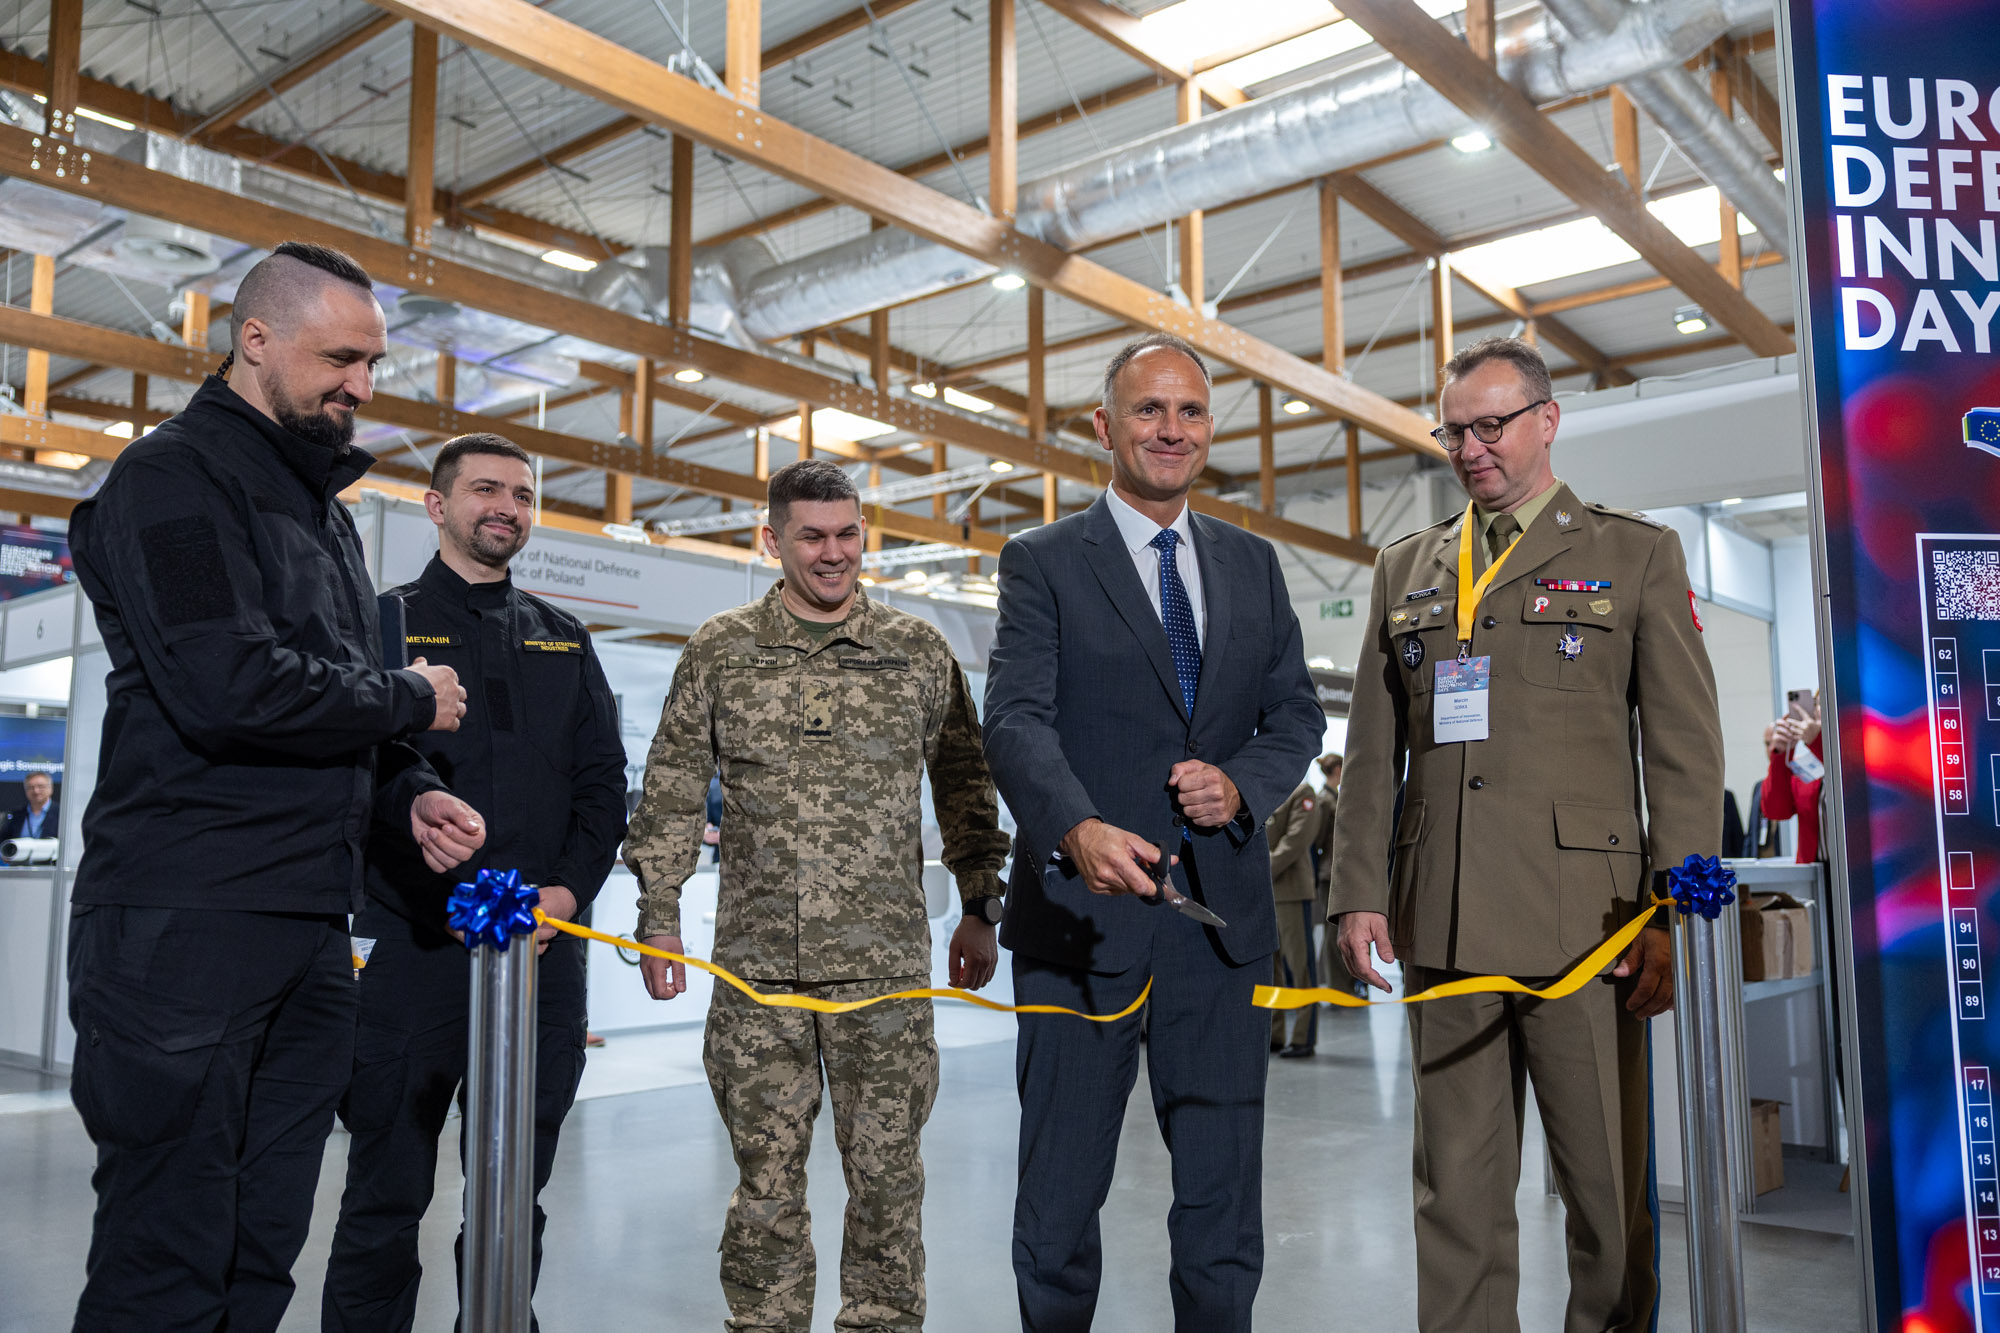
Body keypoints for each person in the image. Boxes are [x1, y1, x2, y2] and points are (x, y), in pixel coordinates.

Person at [63, 240, 483, 1332]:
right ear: (255, 340)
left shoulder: (326, 517)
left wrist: (404, 793)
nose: (363, 383)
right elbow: (223, 682)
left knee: (261, 1256)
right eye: (340, 355)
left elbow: (325, 700)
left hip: (307, 927)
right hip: (185, 928)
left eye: (375, 362)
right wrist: (406, 699)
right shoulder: (170, 482)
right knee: (166, 1257)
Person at [1330, 336, 1723, 1333]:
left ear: (1545, 420)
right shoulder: (1406, 567)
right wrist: (1357, 892)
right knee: (1453, 1198)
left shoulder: (1630, 553)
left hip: (1585, 929)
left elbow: (1680, 749)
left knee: (1603, 1194)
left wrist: (1669, 914)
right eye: (1451, 430)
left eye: (1488, 425)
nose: (1468, 448)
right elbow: (1374, 753)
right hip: (1444, 925)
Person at [983, 332, 1323, 1332]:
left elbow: (1294, 713)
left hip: (1215, 932)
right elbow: (1014, 717)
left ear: (1207, 430)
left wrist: (1241, 782)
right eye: (1147, 409)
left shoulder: (1252, 566)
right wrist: (1074, 823)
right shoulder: (1042, 559)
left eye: (1187, 412)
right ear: (1104, 425)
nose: (1168, 429)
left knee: (1219, 1201)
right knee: (1057, 1198)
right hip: (1076, 926)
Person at [626, 459, 1010, 1332]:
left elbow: (965, 789)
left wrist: (983, 906)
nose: (833, 554)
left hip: (885, 981)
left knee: (887, 1190)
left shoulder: (917, 652)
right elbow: (674, 789)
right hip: (760, 979)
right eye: (811, 536)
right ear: (772, 539)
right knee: (763, 1193)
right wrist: (657, 917)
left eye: (847, 533)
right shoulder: (723, 649)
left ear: (864, 532)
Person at [321, 434, 629, 1331]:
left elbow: (603, 789)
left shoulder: (565, 640)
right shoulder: (380, 625)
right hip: (416, 956)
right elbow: (361, 771)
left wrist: (566, 898)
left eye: (523, 495)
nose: (507, 506)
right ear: (437, 504)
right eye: (486, 488)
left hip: (539, 959)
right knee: (386, 1190)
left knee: (513, 1193)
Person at [1267, 780, 1325, 1056]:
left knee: (1300, 966)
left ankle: (1303, 1036)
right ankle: (1274, 1033)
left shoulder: (1301, 792)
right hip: (1264, 895)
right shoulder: (1264, 788)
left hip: (1290, 890)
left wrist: (1261, 869)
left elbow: (1296, 840)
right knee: (1270, 969)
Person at [1762, 692, 1824, 863]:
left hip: (1856, 873)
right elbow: (1776, 811)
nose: (1818, 710)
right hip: (1815, 874)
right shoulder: (1807, 766)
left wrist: (1818, 741)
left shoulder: (1855, 756)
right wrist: (1781, 753)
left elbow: (1851, 782)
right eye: (1815, 704)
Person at [1, 769, 57, 840]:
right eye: (31, 787)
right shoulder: (15, 815)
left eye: (40, 786)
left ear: (50, 788)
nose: (36, 791)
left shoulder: (61, 814)